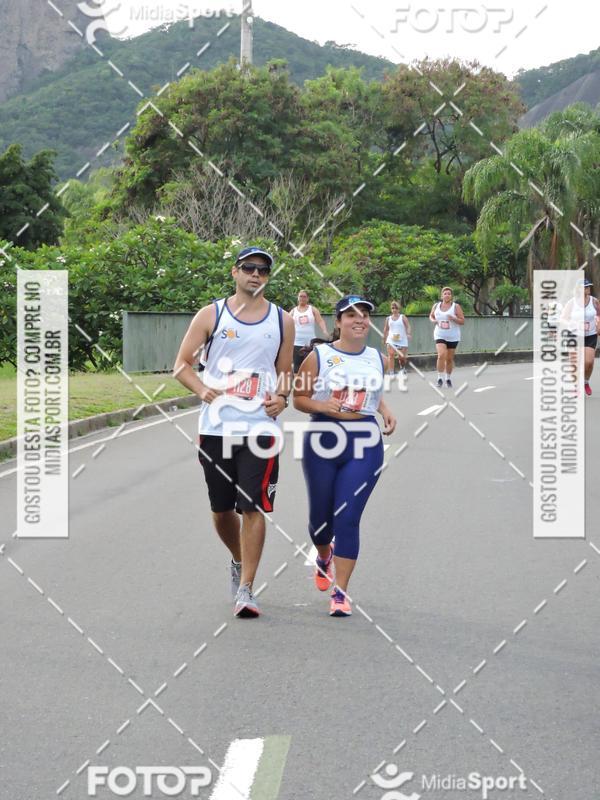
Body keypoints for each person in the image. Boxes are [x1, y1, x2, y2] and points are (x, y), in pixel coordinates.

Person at [173, 246, 294, 618]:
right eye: (248, 268)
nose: (255, 275)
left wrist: (283, 396)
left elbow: (285, 370)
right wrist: (203, 390)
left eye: (262, 270)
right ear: (235, 272)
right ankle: (238, 559)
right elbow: (181, 366)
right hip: (216, 428)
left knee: (252, 506)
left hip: (260, 427)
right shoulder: (212, 314)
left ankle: (247, 589)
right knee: (222, 509)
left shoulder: (282, 320)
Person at [293, 296, 397, 617]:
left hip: (364, 440)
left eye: (365, 314)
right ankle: (323, 555)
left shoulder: (380, 359)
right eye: (351, 315)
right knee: (321, 523)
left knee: (348, 517)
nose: (359, 320)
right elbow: (299, 398)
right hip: (324, 437)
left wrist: (384, 409)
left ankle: (341, 592)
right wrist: (323, 406)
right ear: (338, 322)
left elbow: (369, 392)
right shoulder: (319, 356)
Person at [560, 277, 600, 396]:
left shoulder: (594, 301)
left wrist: (598, 324)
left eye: (588, 286)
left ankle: (585, 382)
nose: (588, 289)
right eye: (586, 287)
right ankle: (575, 386)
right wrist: (571, 323)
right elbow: (562, 318)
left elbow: (599, 314)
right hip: (574, 334)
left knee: (589, 362)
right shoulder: (571, 303)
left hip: (590, 335)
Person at [429, 287, 465, 388]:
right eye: (445, 293)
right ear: (442, 295)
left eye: (449, 294)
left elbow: (462, 321)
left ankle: (448, 378)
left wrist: (454, 318)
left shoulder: (456, 307)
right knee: (441, 355)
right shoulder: (436, 306)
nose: (447, 295)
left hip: (453, 336)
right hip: (439, 334)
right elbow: (431, 316)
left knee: (449, 359)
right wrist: (434, 321)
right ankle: (439, 378)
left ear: (451, 296)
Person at [290, 290, 329, 373]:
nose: (302, 298)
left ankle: (309, 384)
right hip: (297, 343)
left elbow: (320, 321)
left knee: (311, 366)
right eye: (300, 296)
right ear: (298, 298)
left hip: (310, 344)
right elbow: (286, 323)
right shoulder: (293, 311)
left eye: (304, 296)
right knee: (297, 367)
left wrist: (324, 331)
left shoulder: (312, 309)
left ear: (307, 298)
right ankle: (297, 385)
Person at [382, 300, 411, 374]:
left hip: (402, 340)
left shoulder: (402, 317)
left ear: (399, 309)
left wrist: (408, 333)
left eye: (396, 308)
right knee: (391, 355)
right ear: (391, 309)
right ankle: (391, 371)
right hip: (391, 340)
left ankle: (402, 367)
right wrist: (384, 338)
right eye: (392, 308)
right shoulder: (388, 319)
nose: (394, 310)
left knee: (401, 357)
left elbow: (408, 326)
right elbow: (386, 329)